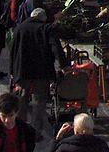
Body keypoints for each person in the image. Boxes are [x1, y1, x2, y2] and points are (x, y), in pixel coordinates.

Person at [9, 9, 67, 141]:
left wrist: (12, 71)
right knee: (39, 103)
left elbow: (12, 51)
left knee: (21, 101)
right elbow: (56, 48)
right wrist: (64, 65)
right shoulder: (47, 29)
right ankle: (35, 132)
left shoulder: (20, 28)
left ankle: (20, 131)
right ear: (43, 18)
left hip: (22, 72)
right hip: (42, 72)